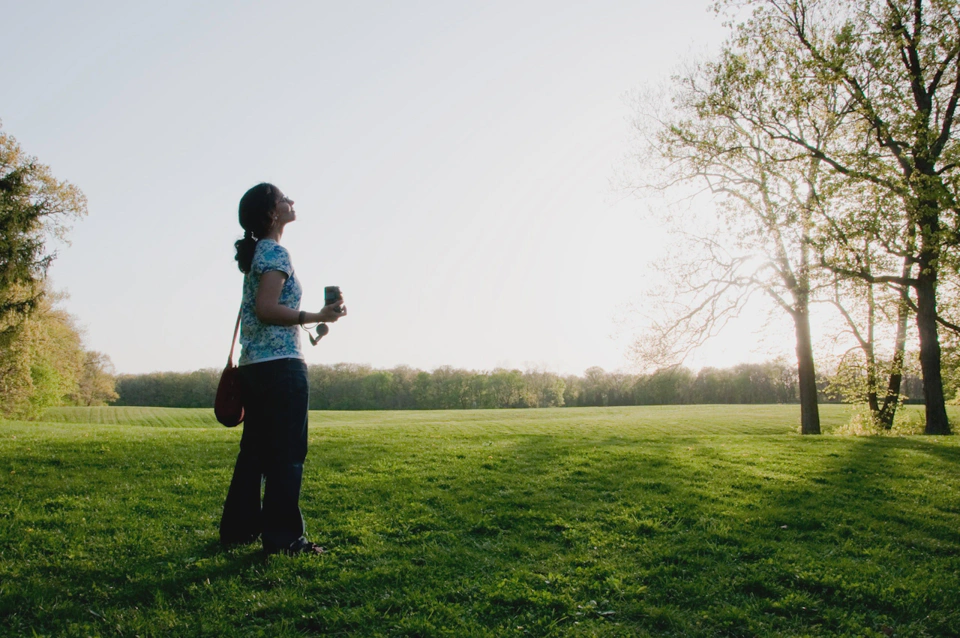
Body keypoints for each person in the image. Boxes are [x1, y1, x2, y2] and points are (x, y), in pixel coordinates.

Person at [219, 182, 345, 555]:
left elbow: (262, 311)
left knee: (255, 452)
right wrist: (316, 314)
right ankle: (285, 539)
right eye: (284, 198)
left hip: (255, 367)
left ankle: (239, 530)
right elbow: (266, 309)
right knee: (287, 454)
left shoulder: (260, 252)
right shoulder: (275, 252)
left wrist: (313, 322)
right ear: (273, 213)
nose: (292, 201)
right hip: (282, 369)